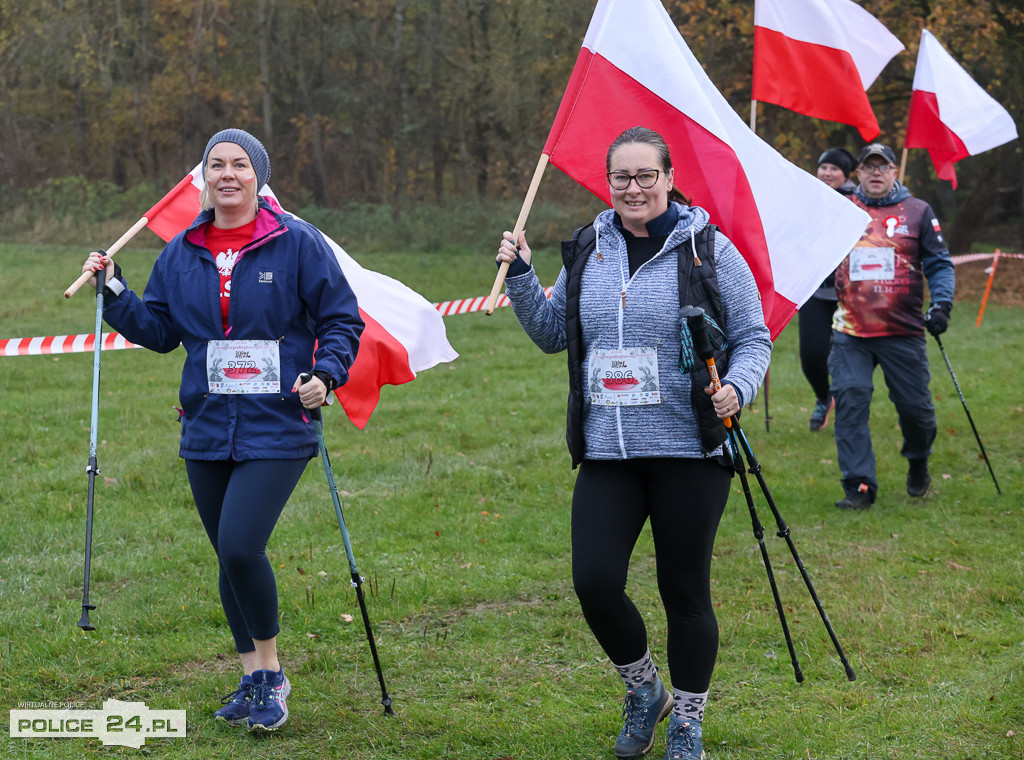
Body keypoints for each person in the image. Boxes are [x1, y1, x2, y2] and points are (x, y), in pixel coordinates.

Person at [496, 126, 771, 760]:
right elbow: (548, 332)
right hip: (609, 452)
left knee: (684, 592)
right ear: (608, 183)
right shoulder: (590, 248)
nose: (634, 188)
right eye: (622, 177)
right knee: (594, 582)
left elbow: (754, 336)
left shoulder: (707, 249)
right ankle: (645, 691)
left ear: (670, 179)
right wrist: (522, 274)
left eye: (647, 175)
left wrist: (737, 387)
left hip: (690, 453)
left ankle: (688, 723)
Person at [82, 128, 364, 731]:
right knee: (227, 557)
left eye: (240, 165)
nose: (228, 175)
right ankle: (252, 677)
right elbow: (159, 331)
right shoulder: (182, 250)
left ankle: (275, 674)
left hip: (280, 422)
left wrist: (326, 373)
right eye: (217, 165)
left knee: (240, 544)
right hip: (207, 425)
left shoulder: (296, 243)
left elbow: (341, 318)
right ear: (204, 177)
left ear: (258, 177)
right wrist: (113, 291)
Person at [829, 143, 955, 510]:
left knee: (916, 410)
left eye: (882, 167)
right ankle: (859, 485)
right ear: (859, 174)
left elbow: (939, 263)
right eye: (868, 168)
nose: (876, 173)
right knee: (851, 399)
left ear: (894, 172)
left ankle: (918, 459)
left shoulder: (918, 211)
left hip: (903, 330)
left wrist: (942, 305)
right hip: (850, 330)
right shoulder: (842, 209)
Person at [798, 147, 857, 432]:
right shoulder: (807, 197)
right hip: (814, 288)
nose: (827, 173)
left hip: (852, 294)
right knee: (811, 354)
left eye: (834, 168)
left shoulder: (859, 201)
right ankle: (824, 397)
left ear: (845, 174)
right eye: (824, 167)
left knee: (850, 357)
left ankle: (851, 409)